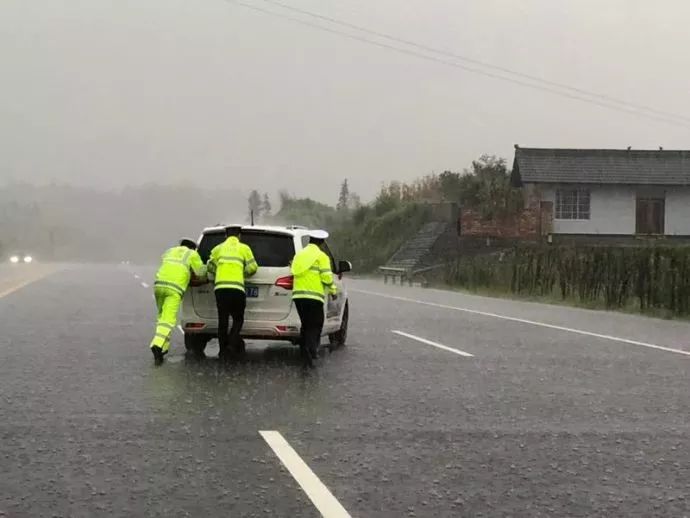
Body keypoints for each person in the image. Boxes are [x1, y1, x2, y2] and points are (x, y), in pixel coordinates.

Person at [150, 238, 206, 364]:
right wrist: (206, 273)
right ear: (193, 248)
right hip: (174, 289)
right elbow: (200, 272)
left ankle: (163, 349)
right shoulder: (192, 254)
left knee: (162, 317)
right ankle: (157, 345)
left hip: (159, 286)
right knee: (168, 320)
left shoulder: (169, 251)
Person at [207, 225, 258, 359]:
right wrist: (242, 273)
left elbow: (210, 266)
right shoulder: (244, 248)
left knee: (222, 320)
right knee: (238, 319)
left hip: (221, 289)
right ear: (239, 236)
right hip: (237, 289)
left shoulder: (218, 249)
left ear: (225, 236)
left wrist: (219, 272)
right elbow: (253, 267)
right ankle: (232, 342)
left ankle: (223, 350)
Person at [291, 230, 337, 367]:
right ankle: (311, 350)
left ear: (310, 240)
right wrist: (333, 290)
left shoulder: (299, 255)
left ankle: (304, 349)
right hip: (314, 296)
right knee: (316, 323)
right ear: (321, 243)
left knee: (305, 323)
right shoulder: (322, 257)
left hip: (298, 295)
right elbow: (327, 277)